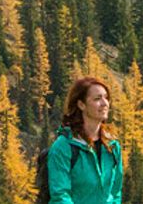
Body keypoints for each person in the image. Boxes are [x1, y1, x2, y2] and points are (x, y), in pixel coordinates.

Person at [45, 76, 122, 204]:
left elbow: (115, 193)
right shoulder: (63, 146)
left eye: (106, 97)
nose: (105, 103)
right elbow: (60, 196)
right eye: (97, 99)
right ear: (81, 104)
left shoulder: (112, 146)